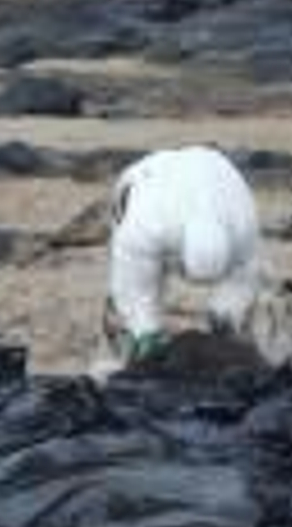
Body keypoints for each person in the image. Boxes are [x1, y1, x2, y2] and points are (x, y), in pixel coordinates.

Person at [104, 145, 262, 364]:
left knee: (230, 321)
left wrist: (228, 322)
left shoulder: (243, 226)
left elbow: (245, 276)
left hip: (217, 171)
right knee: (134, 304)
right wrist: (145, 331)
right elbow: (133, 280)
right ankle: (126, 339)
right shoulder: (148, 223)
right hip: (148, 176)